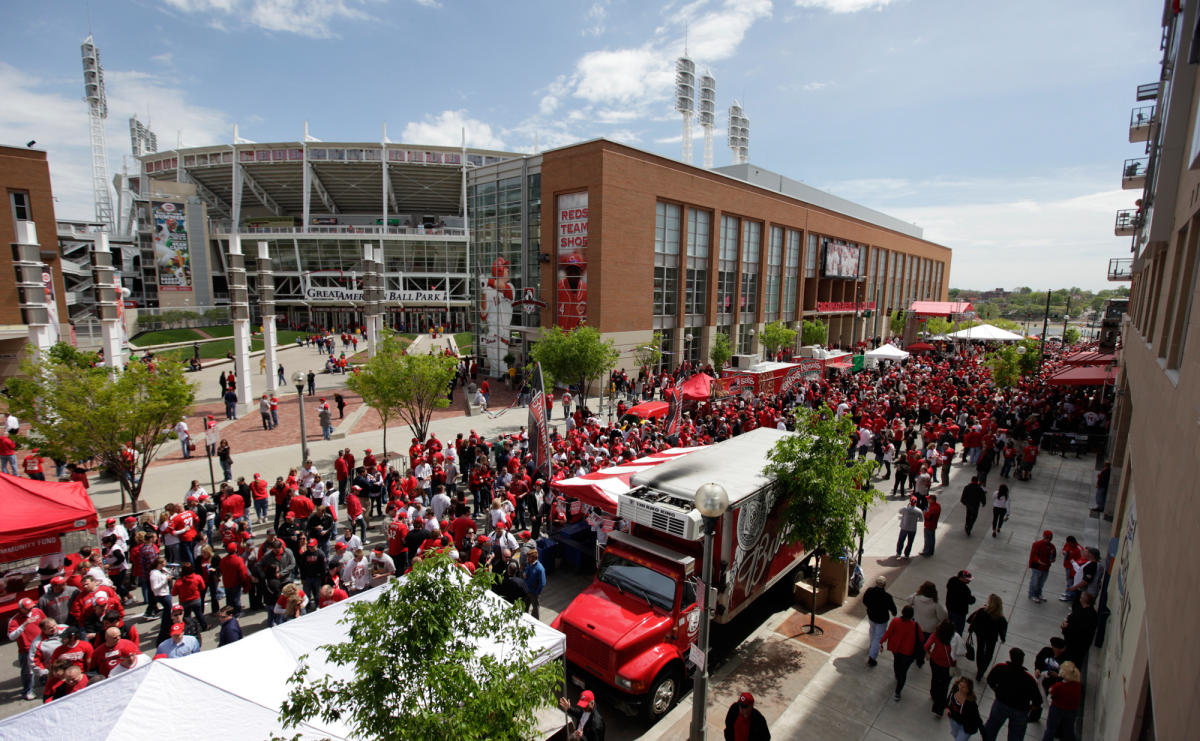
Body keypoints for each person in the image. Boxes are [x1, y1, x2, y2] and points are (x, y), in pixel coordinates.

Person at [982, 648, 1041, 741]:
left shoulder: (1000, 668)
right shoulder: (1029, 680)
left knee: (991, 729)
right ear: (1022, 661)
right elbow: (1038, 701)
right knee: (1016, 736)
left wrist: (996, 691)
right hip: (1020, 711)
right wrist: (1029, 707)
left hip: (1000, 705)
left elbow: (990, 680)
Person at [881, 604, 923, 700]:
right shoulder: (915, 626)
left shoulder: (895, 621)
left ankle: (897, 674)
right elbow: (921, 638)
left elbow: (888, 632)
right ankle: (898, 691)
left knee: (896, 662)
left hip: (896, 649)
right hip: (908, 652)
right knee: (904, 672)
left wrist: (881, 642)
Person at [8, 598, 47, 700]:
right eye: (28, 608)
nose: (31, 610)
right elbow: (11, 636)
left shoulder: (37, 611)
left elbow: (45, 623)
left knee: (44, 665)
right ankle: (27, 690)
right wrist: (24, 625)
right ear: (21, 609)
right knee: (28, 672)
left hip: (41, 645)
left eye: (31, 607)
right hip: (26, 650)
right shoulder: (14, 620)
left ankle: (45, 681)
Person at [925, 618, 962, 717]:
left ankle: (933, 694)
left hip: (935, 662)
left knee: (935, 678)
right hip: (948, 665)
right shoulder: (955, 639)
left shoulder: (936, 635)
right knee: (944, 686)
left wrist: (928, 653)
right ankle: (939, 709)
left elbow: (926, 645)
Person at [967, 593, 1008, 681]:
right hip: (991, 638)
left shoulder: (982, 611)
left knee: (980, 650)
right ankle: (982, 670)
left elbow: (973, 620)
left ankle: (979, 668)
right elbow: (1002, 630)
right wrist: (1003, 638)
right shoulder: (1000, 618)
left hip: (980, 634)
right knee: (989, 654)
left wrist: (971, 629)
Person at [1041, 661, 1082, 741]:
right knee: (1068, 730)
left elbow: (1051, 691)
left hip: (1057, 709)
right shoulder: (1078, 686)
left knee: (1051, 729)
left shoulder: (1058, 686)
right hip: (1071, 710)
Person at [863, 575, 898, 667]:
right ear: (884, 584)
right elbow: (893, 608)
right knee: (878, 637)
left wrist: (870, 607)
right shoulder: (887, 596)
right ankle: (872, 657)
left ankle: (872, 645)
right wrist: (894, 613)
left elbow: (864, 601)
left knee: (872, 630)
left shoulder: (869, 591)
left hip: (871, 616)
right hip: (882, 619)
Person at [1060, 592, 1098, 665]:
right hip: (1073, 643)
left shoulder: (1089, 615)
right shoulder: (1082, 609)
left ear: (1083, 600)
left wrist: (1067, 627)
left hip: (1077, 645)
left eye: (1081, 597)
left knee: (1073, 662)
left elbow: (1080, 630)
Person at [944, 676, 984, 740]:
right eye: (960, 685)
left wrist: (983, 734)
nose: (960, 688)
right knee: (956, 736)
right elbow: (948, 701)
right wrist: (946, 708)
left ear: (968, 690)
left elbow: (977, 718)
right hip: (954, 721)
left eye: (963, 687)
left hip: (966, 727)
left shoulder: (971, 703)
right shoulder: (954, 691)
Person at [1027, 530, 1057, 603]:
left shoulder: (1052, 546)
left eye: (1050, 538)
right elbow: (1034, 555)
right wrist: (1039, 561)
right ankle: (1032, 594)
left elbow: (1054, 555)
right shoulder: (1037, 544)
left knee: (1041, 582)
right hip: (1037, 566)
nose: (1048, 540)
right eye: (1047, 538)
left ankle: (1038, 593)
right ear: (1044, 537)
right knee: (1035, 581)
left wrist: (1053, 559)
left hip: (1046, 567)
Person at [945, 570, 976, 636]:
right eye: (967, 579)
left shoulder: (952, 581)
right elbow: (970, 601)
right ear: (961, 578)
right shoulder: (965, 589)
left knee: (949, 627)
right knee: (958, 631)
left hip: (950, 608)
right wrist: (973, 598)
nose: (969, 581)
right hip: (959, 613)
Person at [524, 549, 546, 619]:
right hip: (527, 589)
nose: (527, 558)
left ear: (534, 558)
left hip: (534, 593)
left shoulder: (540, 569)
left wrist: (536, 593)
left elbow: (542, 583)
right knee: (525, 605)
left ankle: (535, 621)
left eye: (529, 557)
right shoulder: (529, 563)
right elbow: (527, 571)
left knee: (535, 608)